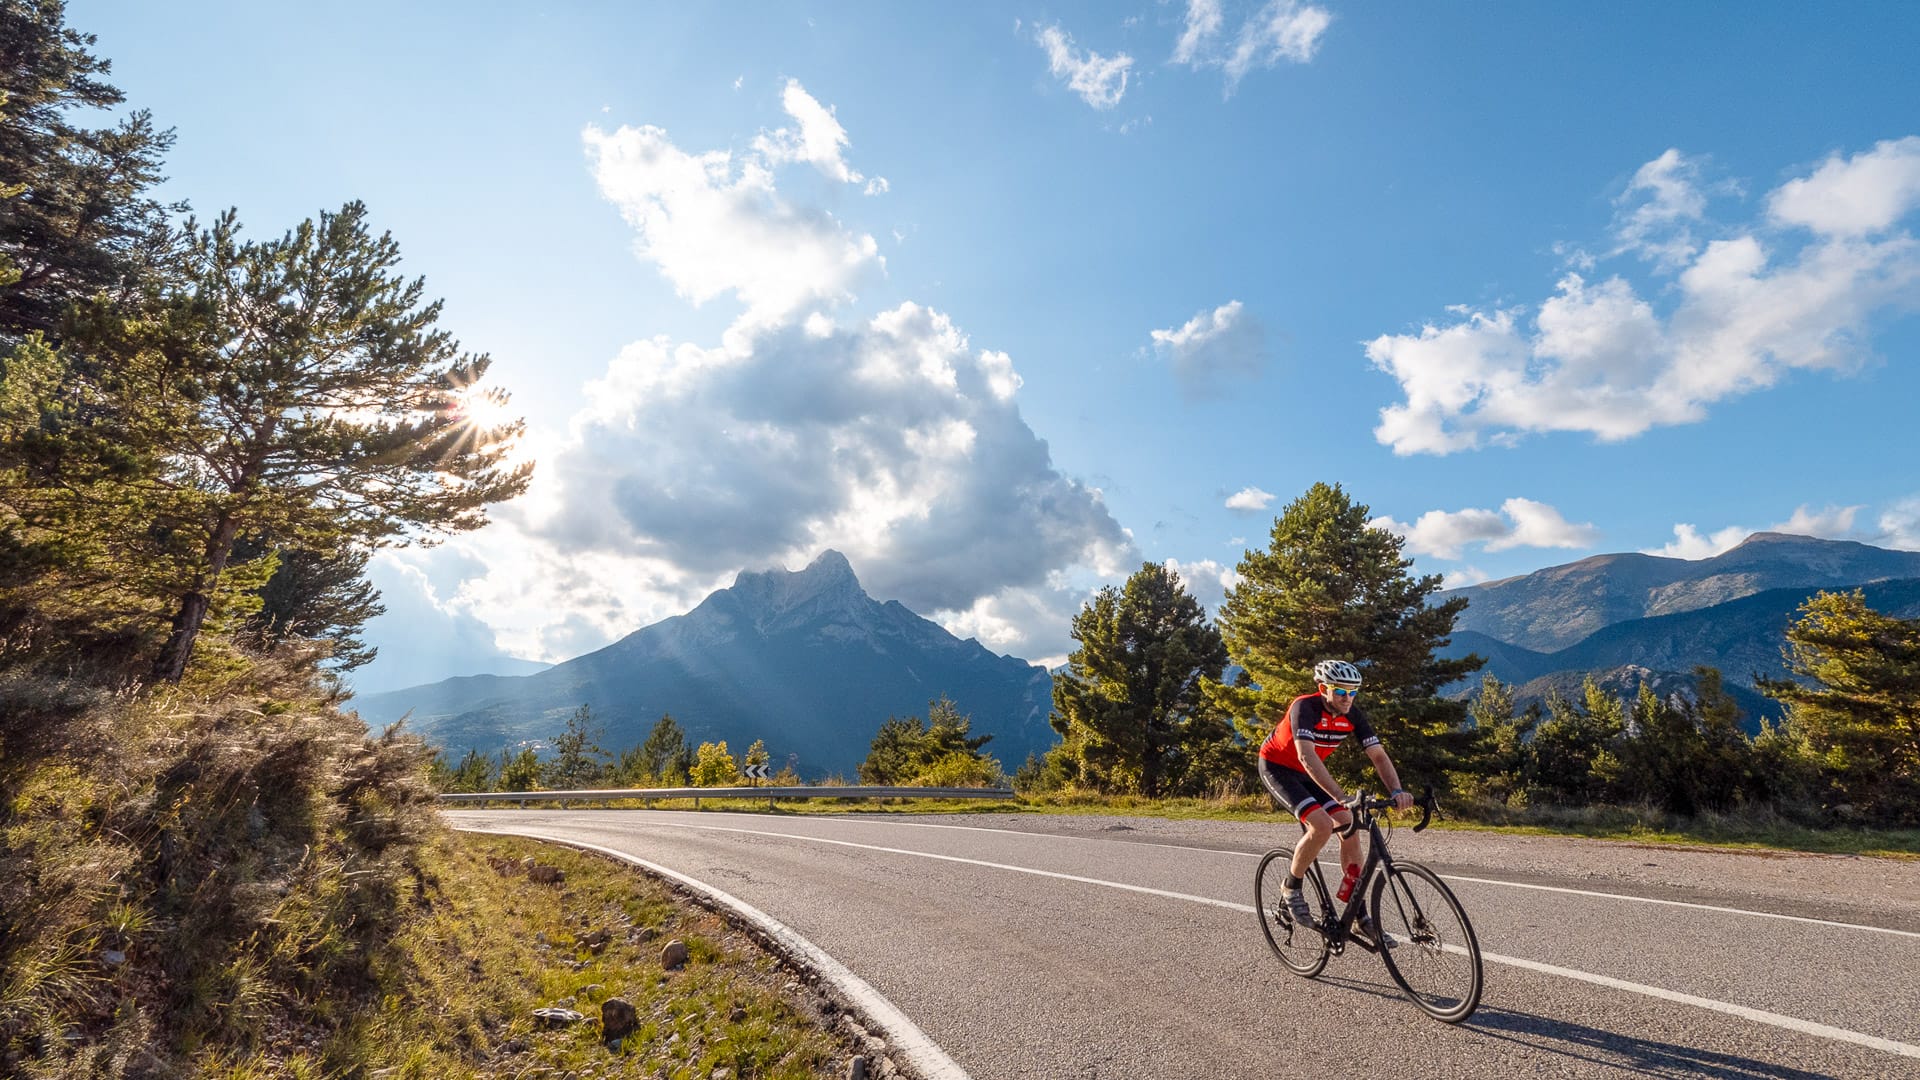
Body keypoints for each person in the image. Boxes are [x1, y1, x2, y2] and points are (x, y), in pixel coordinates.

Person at [1257, 659, 1414, 927]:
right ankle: (1291, 887)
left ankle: (1356, 909)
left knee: (1347, 823)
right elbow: (1306, 757)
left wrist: (1397, 790)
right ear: (1322, 688)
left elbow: (1378, 756)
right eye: (1340, 692)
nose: (1347, 698)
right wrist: (1341, 797)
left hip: (1308, 773)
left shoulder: (1352, 714)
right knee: (1320, 825)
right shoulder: (1304, 707)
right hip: (1278, 768)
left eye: (1353, 692)